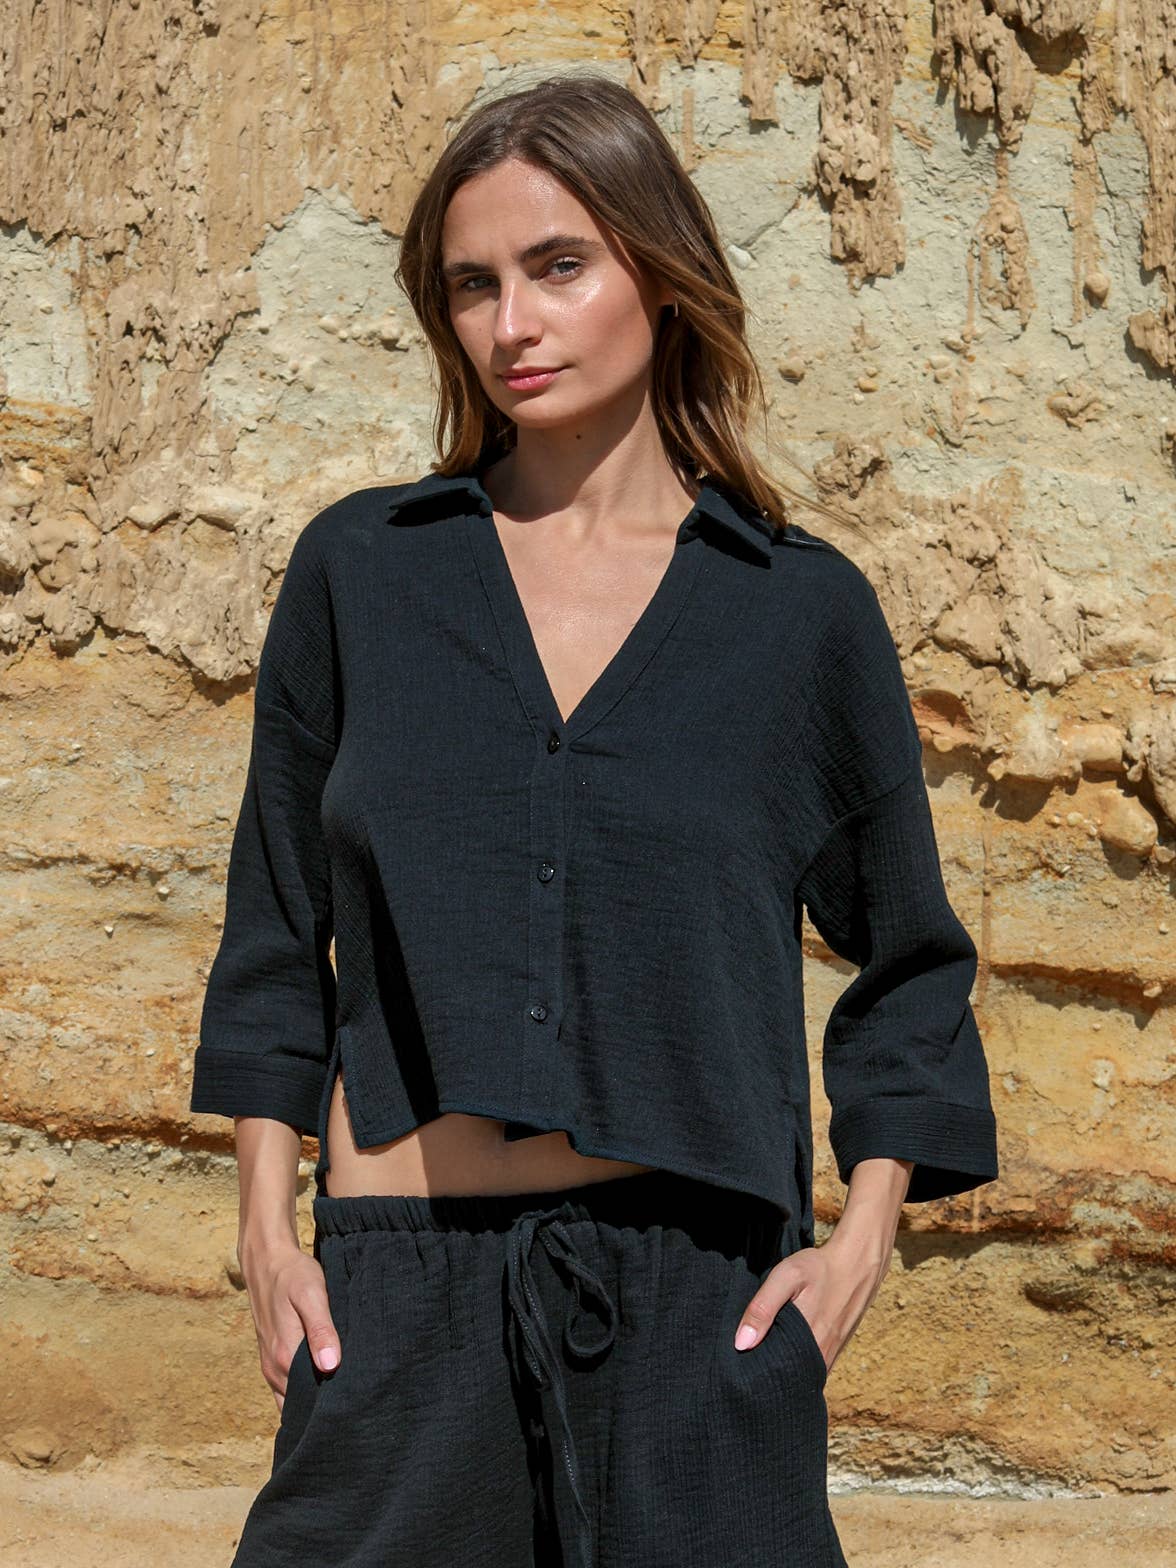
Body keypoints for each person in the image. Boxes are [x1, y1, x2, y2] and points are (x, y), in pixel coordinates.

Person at [190, 69, 999, 1568]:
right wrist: (263, 1222)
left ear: (661, 271)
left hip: (700, 1312)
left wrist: (865, 1235)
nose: (513, 325)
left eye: (559, 267)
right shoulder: (363, 575)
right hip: (398, 1305)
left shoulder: (796, 612)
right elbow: (274, 925)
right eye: (474, 285)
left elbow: (912, 959)